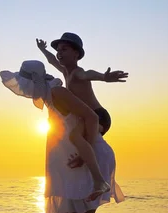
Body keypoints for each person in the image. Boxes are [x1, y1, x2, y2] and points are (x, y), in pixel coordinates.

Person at [0, 60, 125, 213]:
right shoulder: (50, 95)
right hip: (76, 160)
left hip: (90, 156)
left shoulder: (57, 92)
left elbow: (92, 118)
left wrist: (84, 152)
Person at [37, 33, 127, 170]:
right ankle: (84, 159)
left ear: (76, 53)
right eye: (58, 50)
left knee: (75, 136)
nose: (59, 53)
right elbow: (52, 61)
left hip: (99, 116)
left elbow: (88, 74)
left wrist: (104, 77)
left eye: (64, 49)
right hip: (86, 118)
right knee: (75, 138)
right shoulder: (66, 72)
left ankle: (95, 176)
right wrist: (43, 49)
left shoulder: (78, 72)